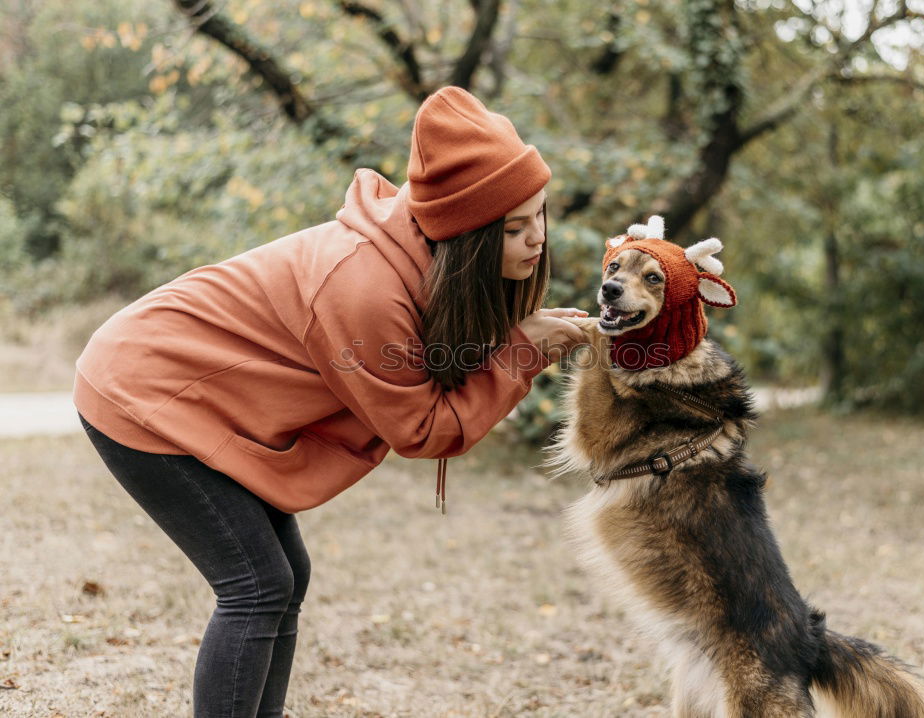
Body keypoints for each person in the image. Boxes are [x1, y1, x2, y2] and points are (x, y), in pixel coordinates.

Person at [73, 85, 588, 717]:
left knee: (281, 580)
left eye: (540, 215)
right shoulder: (365, 287)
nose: (537, 239)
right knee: (256, 586)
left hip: (190, 391)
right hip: (142, 389)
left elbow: (438, 368)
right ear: (466, 235)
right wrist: (519, 354)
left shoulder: (419, 256)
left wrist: (516, 341)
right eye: (513, 228)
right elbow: (423, 429)